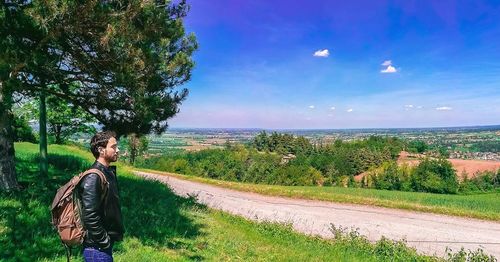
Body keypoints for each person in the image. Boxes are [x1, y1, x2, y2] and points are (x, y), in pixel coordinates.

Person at [78, 131, 124, 261]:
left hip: (101, 248)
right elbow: (90, 215)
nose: (118, 150)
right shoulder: (93, 177)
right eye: (113, 147)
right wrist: (104, 241)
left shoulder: (107, 172)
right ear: (101, 150)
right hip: (97, 249)